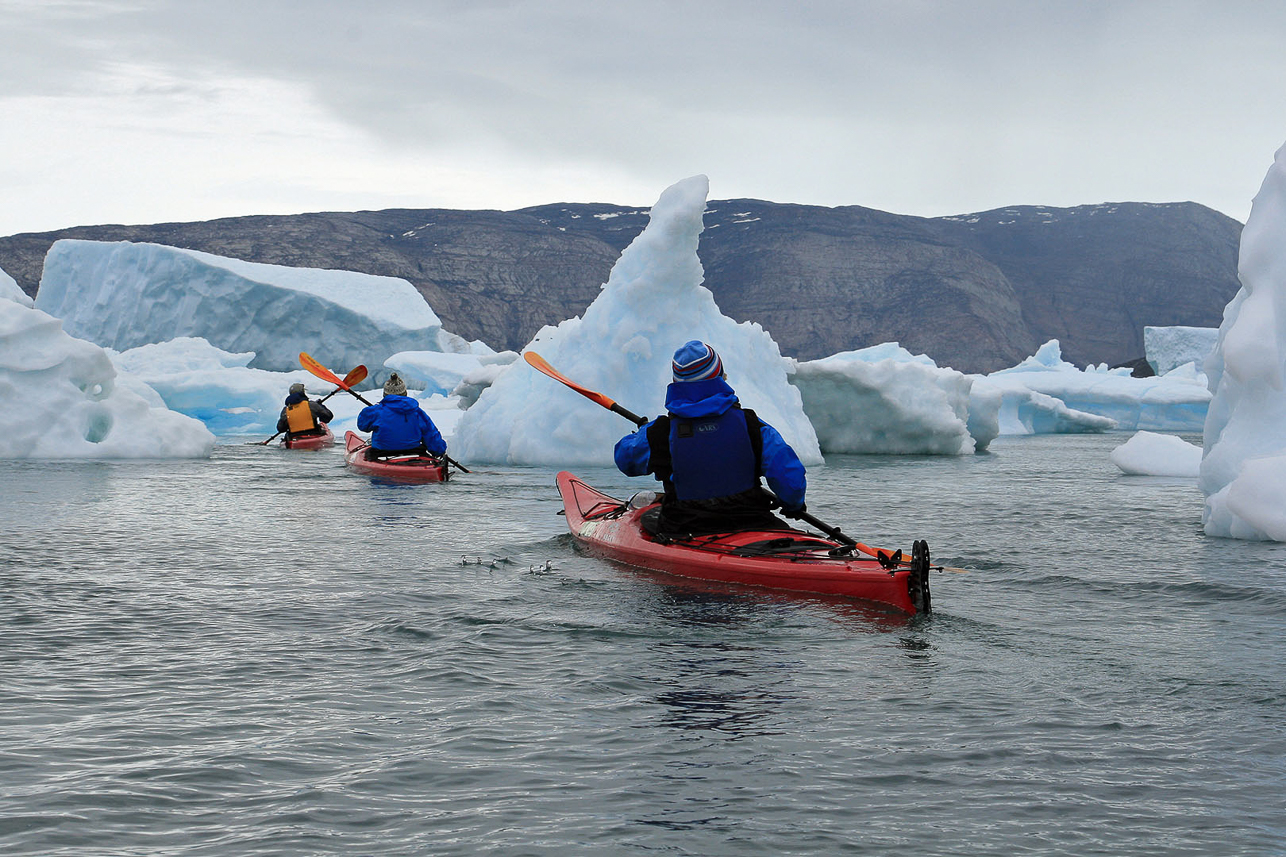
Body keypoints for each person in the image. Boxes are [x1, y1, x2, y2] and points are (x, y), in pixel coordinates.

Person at [614, 340, 807, 536]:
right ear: (720, 376)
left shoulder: (661, 432)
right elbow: (790, 479)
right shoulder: (752, 426)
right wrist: (793, 505)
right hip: (752, 520)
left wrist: (648, 432)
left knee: (649, 519)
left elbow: (625, 459)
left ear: (677, 382)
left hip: (686, 526)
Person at [356, 373, 447, 459]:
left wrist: (369, 411)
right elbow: (431, 435)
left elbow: (362, 426)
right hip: (413, 453)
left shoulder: (376, 411)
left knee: (368, 453)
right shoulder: (418, 413)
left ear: (385, 394)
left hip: (382, 453)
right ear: (405, 393)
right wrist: (439, 451)